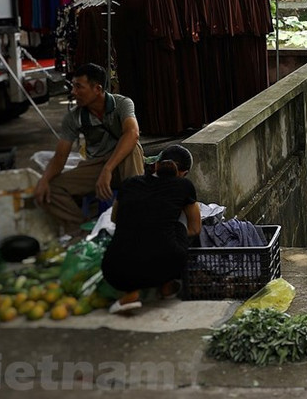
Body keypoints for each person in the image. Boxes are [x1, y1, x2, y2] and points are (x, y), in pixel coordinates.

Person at [34, 63, 144, 233]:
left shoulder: (122, 103)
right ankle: (84, 231)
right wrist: (44, 180)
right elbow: (60, 157)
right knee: (52, 189)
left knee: (132, 147)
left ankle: (136, 220)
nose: (73, 92)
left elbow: (132, 133)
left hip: (123, 163)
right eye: (73, 86)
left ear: (97, 89)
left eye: (79, 87)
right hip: (96, 167)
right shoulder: (74, 117)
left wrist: (108, 169)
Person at [101, 144, 201, 314]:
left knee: (135, 233)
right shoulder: (184, 186)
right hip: (165, 265)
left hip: (114, 270)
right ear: (183, 173)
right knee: (176, 228)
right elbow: (195, 228)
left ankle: (131, 293)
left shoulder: (129, 183)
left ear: (156, 165)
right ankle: (166, 287)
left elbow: (114, 219)